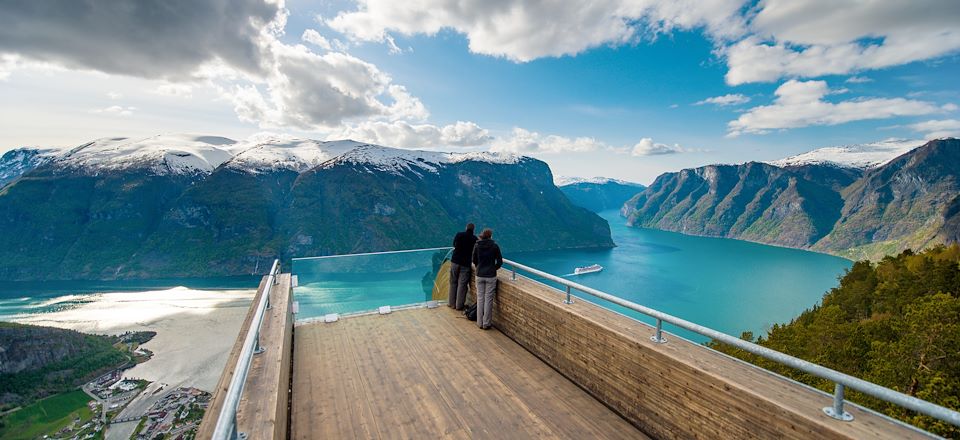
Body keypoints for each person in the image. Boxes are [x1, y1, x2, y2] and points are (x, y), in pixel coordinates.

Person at [472, 228, 502, 330]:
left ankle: (479, 323)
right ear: (490, 236)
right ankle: (486, 323)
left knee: (480, 298)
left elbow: (474, 260)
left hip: (479, 275)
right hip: (490, 276)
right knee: (488, 299)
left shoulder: (477, 245)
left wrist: (478, 268)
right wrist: (493, 268)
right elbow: (500, 261)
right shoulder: (494, 246)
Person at [448, 223, 477, 310]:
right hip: (465, 264)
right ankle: (459, 306)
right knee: (462, 285)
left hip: (455, 261)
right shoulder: (474, 239)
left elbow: (454, 244)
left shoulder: (459, 234)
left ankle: (451, 303)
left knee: (453, 282)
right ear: (473, 230)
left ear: (466, 228)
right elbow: (475, 251)